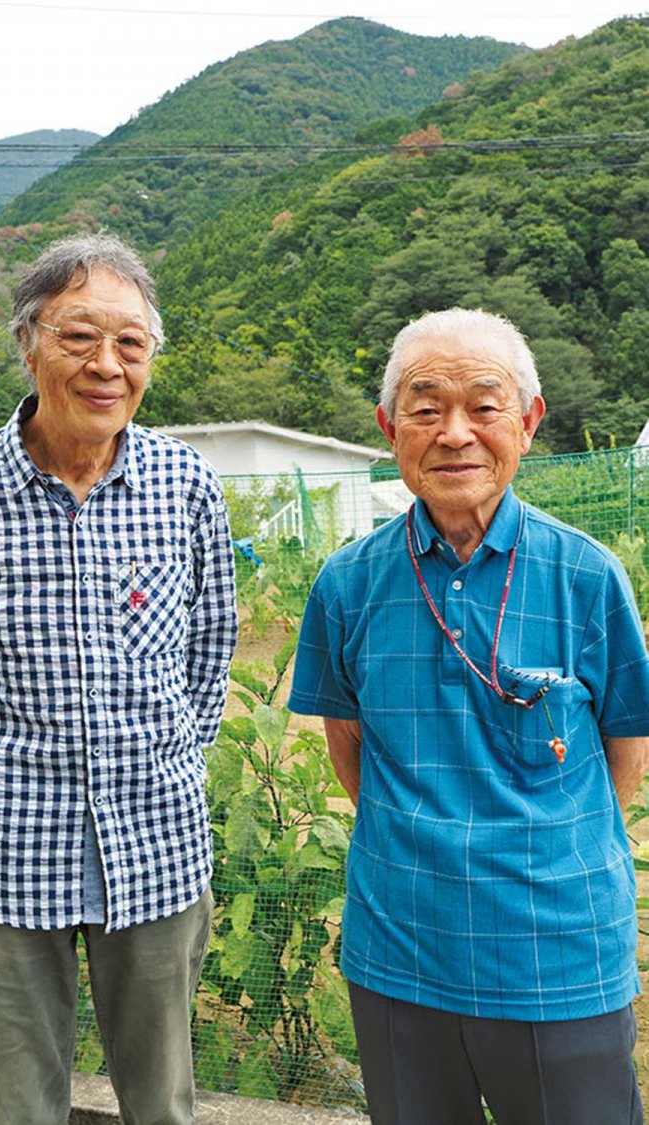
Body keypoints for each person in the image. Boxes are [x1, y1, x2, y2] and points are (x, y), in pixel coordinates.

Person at [0, 232, 238, 1125]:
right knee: (16, 1108)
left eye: (131, 342)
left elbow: (212, 639)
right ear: (28, 342)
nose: (107, 365)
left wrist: (172, 755)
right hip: (3, 842)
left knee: (162, 1104)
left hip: (156, 839)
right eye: (79, 336)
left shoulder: (186, 483)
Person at [288, 307, 649, 1125]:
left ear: (528, 421)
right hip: (400, 950)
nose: (455, 434)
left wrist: (540, 850)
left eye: (484, 406)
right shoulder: (347, 584)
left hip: (556, 955)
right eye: (425, 408)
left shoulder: (588, 577)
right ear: (390, 429)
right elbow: (349, 747)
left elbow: (625, 752)